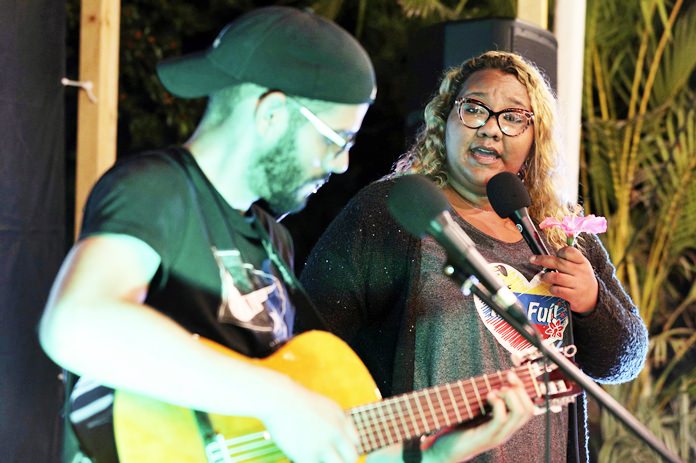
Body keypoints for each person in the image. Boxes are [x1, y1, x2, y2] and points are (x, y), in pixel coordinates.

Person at [39, 8, 533, 463]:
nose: (340, 164)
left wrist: (433, 456)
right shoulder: (159, 190)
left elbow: (317, 424)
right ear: (272, 113)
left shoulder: (273, 244)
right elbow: (76, 322)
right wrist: (279, 399)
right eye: (337, 139)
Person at [300, 51, 649, 462]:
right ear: (445, 120)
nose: (490, 130)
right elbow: (311, 339)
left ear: (536, 136)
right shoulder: (398, 211)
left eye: (513, 117)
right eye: (474, 109)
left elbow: (623, 362)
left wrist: (592, 303)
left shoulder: (562, 233)